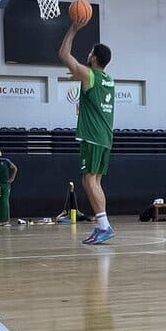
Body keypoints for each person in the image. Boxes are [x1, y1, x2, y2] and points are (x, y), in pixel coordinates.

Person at [59, 23, 115, 245]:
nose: (88, 54)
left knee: (90, 181)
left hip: (92, 136)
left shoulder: (90, 75)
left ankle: (105, 226)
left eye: (90, 52)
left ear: (94, 58)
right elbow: (89, 82)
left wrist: (73, 28)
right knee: (92, 181)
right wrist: (78, 77)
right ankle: (101, 225)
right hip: (105, 137)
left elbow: (63, 54)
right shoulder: (108, 80)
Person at [0, 148, 18, 226]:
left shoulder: (5, 161)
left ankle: (6, 220)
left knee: (5, 201)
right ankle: (0, 220)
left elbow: (15, 168)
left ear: (0, 154)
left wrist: (12, 178)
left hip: (6, 184)